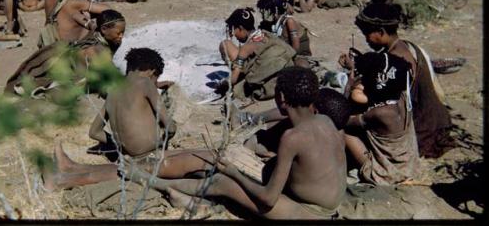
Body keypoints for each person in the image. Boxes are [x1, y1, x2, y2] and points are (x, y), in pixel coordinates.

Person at [44, 67, 347, 219]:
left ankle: (149, 182)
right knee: (200, 158)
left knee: (220, 181)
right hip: (311, 202)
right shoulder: (325, 122)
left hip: (308, 213)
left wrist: (234, 172)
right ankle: (75, 170)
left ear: (280, 98)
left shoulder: (294, 136)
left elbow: (267, 199)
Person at [339, 3, 455, 158]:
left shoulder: (397, 59)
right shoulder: (405, 46)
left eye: (367, 34)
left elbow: (383, 102)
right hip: (436, 122)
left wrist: (353, 79)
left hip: (421, 131)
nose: (366, 39)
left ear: (381, 32)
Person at [5, 9, 126, 97]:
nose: (121, 36)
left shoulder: (95, 33)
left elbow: (83, 19)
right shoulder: (99, 50)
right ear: (104, 30)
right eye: (118, 33)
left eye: (123, 32)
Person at [344, 51, 420, 185]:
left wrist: (350, 84)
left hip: (387, 174)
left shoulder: (379, 113)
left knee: (342, 132)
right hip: (407, 165)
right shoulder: (402, 97)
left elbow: (343, 119)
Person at [217, 7, 296, 100]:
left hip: (263, 80)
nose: (233, 34)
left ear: (241, 28)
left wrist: (222, 84)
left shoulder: (246, 48)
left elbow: (234, 78)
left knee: (225, 44)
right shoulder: (265, 35)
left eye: (234, 29)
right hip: (282, 71)